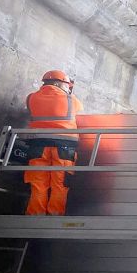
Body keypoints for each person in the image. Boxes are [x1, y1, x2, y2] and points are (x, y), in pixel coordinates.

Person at [24, 70, 83, 216]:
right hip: (64, 146)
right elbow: (80, 112)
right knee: (60, 183)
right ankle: (54, 216)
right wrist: (70, 93)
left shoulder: (31, 98)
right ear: (59, 83)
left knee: (38, 183)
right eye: (67, 85)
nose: (68, 88)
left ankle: (35, 216)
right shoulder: (72, 100)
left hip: (37, 145)